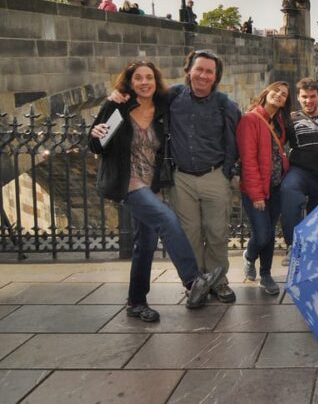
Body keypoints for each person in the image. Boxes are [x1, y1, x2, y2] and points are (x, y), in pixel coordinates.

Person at [89, 61, 222, 322]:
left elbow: (192, 92)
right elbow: (96, 145)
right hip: (128, 183)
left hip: (152, 183)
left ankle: (136, 303)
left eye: (149, 77)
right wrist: (95, 134)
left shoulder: (163, 105)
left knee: (145, 245)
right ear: (129, 81)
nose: (144, 82)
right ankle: (193, 280)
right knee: (167, 219)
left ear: (155, 80)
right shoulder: (117, 106)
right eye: (138, 78)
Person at [109, 50, 242, 302]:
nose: (202, 75)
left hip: (214, 174)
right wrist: (116, 97)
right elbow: (141, 96)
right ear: (188, 71)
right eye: (198, 69)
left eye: (208, 72)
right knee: (188, 231)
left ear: (215, 77)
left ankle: (218, 281)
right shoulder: (171, 97)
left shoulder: (225, 104)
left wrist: (229, 171)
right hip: (181, 177)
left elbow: (236, 139)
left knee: (216, 232)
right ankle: (195, 285)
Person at [237, 81, 291, 295]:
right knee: (263, 234)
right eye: (276, 90)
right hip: (256, 189)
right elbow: (248, 161)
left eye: (284, 94)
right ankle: (249, 256)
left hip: (276, 186)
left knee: (269, 232)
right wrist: (257, 194)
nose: (279, 95)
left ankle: (266, 274)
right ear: (266, 92)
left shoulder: (278, 121)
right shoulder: (250, 119)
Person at [280, 78, 318, 265]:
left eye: (313, 97)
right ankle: (293, 244)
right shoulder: (291, 119)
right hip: (299, 170)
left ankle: (315, 248)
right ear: (298, 98)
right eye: (305, 97)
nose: (309, 101)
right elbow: (276, 140)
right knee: (289, 191)